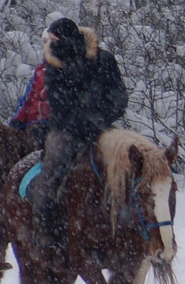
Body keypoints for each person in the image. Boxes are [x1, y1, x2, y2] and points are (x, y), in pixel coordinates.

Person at [27, 18, 128, 250]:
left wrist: (99, 119)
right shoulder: (55, 64)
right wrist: (78, 124)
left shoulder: (104, 59)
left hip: (101, 127)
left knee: (127, 163)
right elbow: (59, 102)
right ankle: (46, 230)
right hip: (66, 131)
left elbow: (118, 94)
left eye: (54, 39)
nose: (50, 44)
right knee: (52, 171)